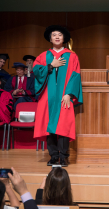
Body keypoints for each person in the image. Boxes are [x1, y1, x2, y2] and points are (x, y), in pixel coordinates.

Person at [33, 25, 83, 167]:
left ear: (64, 38)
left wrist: (69, 94)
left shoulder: (72, 56)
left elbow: (75, 76)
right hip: (47, 98)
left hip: (63, 97)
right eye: (54, 34)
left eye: (59, 35)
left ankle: (64, 156)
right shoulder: (44, 56)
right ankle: (54, 156)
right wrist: (51, 65)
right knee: (49, 126)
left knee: (63, 126)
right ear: (50, 38)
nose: (56, 37)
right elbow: (36, 71)